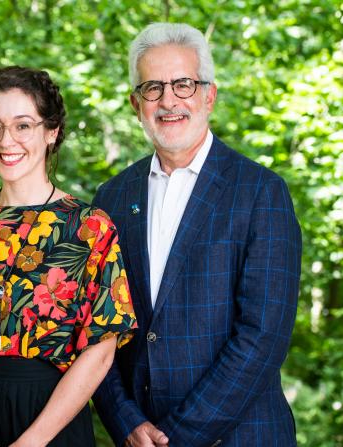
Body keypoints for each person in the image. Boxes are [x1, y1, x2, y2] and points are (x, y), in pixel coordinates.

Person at [92, 23, 301, 447]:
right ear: (136, 104)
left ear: (209, 94)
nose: (169, 100)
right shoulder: (112, 197)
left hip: (242, 436)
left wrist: (178, 437)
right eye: (153, 87)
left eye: (183, 84)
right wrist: (126, 422)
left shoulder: (261, 191)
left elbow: (263, 337)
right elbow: (98, 328)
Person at [0, 66, 137, 447]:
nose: (6, 140)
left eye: (22, 126)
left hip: (51, 418)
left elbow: (101, 350)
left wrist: (32, 442)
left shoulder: (89, 228)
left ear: (51, 132)